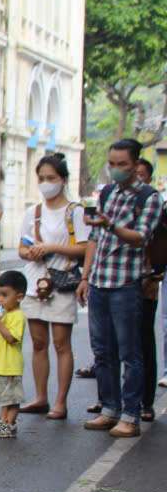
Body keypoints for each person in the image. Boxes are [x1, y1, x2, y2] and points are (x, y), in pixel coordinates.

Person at [78, 138, 163, 438]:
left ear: (136, 164)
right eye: (111, 164)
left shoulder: (150, 198)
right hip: (99, 282)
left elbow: (140, 237)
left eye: (121, 165)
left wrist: (110, 224)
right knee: (102, 351)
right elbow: (93, 238)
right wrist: (85, 276)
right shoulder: (107, 193)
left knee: (130, 352)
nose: (114, 170)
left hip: (126, 284)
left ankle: (131, 414)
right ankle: (109, 408)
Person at [16, 153, 88, 420]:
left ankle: (61, 402)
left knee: (61, 343)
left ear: (63, 180)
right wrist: (30, 253)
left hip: (62, 282)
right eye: (42, 178)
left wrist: (51, 247)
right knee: (37, 342)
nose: (46, 183)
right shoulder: (33, 212)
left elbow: (83, 248)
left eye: (51, 178)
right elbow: (22, 247)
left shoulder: (74, 211)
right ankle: (40, 397)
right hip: (35, 282)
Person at [134, 157, 163, 421]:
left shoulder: (154, 205)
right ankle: (115, 400)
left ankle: (146, 402)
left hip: (146, 281)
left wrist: (156, 274)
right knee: (118, 345)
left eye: (141, 175)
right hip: (120, 281)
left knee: (144, 341)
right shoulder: (117, 200)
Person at [0, 270, 28, 439]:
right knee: (4, 398)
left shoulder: (18, 316)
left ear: (19, 296)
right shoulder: (6, 313)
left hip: (11, 365)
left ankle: (10, 424)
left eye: (5, 295)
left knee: (12, 398)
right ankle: (2, 421)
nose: (0, 299)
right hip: (0, 364)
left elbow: (11, 338)